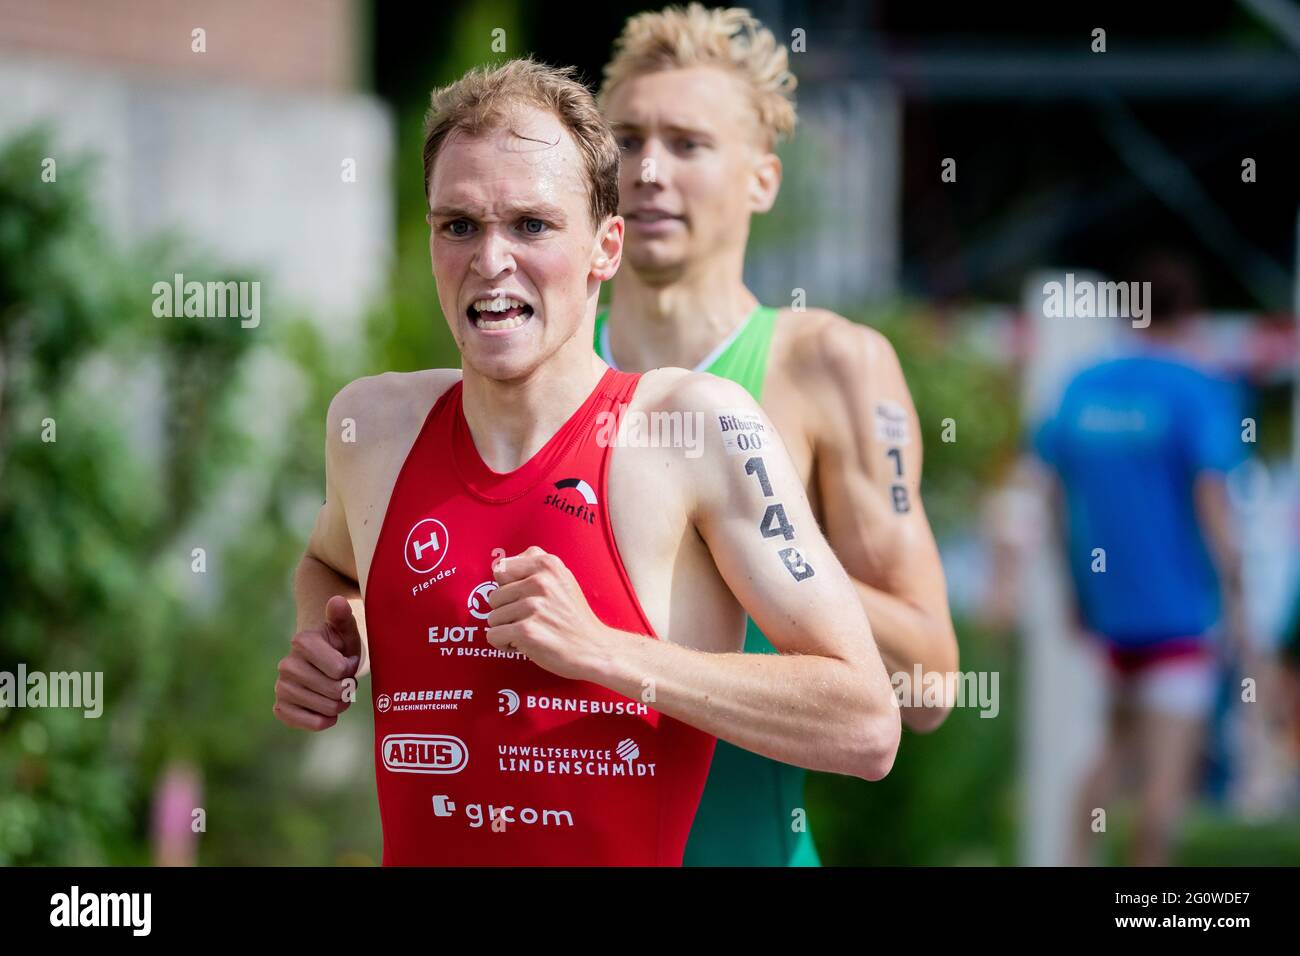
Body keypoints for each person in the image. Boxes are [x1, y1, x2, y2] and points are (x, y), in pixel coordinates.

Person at [272, 57, 900, 866]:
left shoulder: (691, 430)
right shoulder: (373, 425)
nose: (490, 259)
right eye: (458, 225)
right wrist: (332, 642)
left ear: (607, 248)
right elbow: (329, 564)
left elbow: (865, 722)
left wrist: (605, 652)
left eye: (531, 225)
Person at [595, 4, 958, 865]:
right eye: (628, 139)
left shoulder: (830, 365)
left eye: (688, 144)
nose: (648, 170)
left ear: (762, 179)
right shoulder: (541, 360)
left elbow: (932, 683)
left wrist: (751, 540)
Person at [1034, 252, 1250, 866]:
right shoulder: (1195, 389)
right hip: (1179, 614)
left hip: (1110, 614)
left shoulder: (1081, 386)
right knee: (1165, 782)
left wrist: (1075, 588)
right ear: (1190, 314)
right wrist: (1239, 599)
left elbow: (1051, 499)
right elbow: (1214, 506)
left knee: (1112, 752)